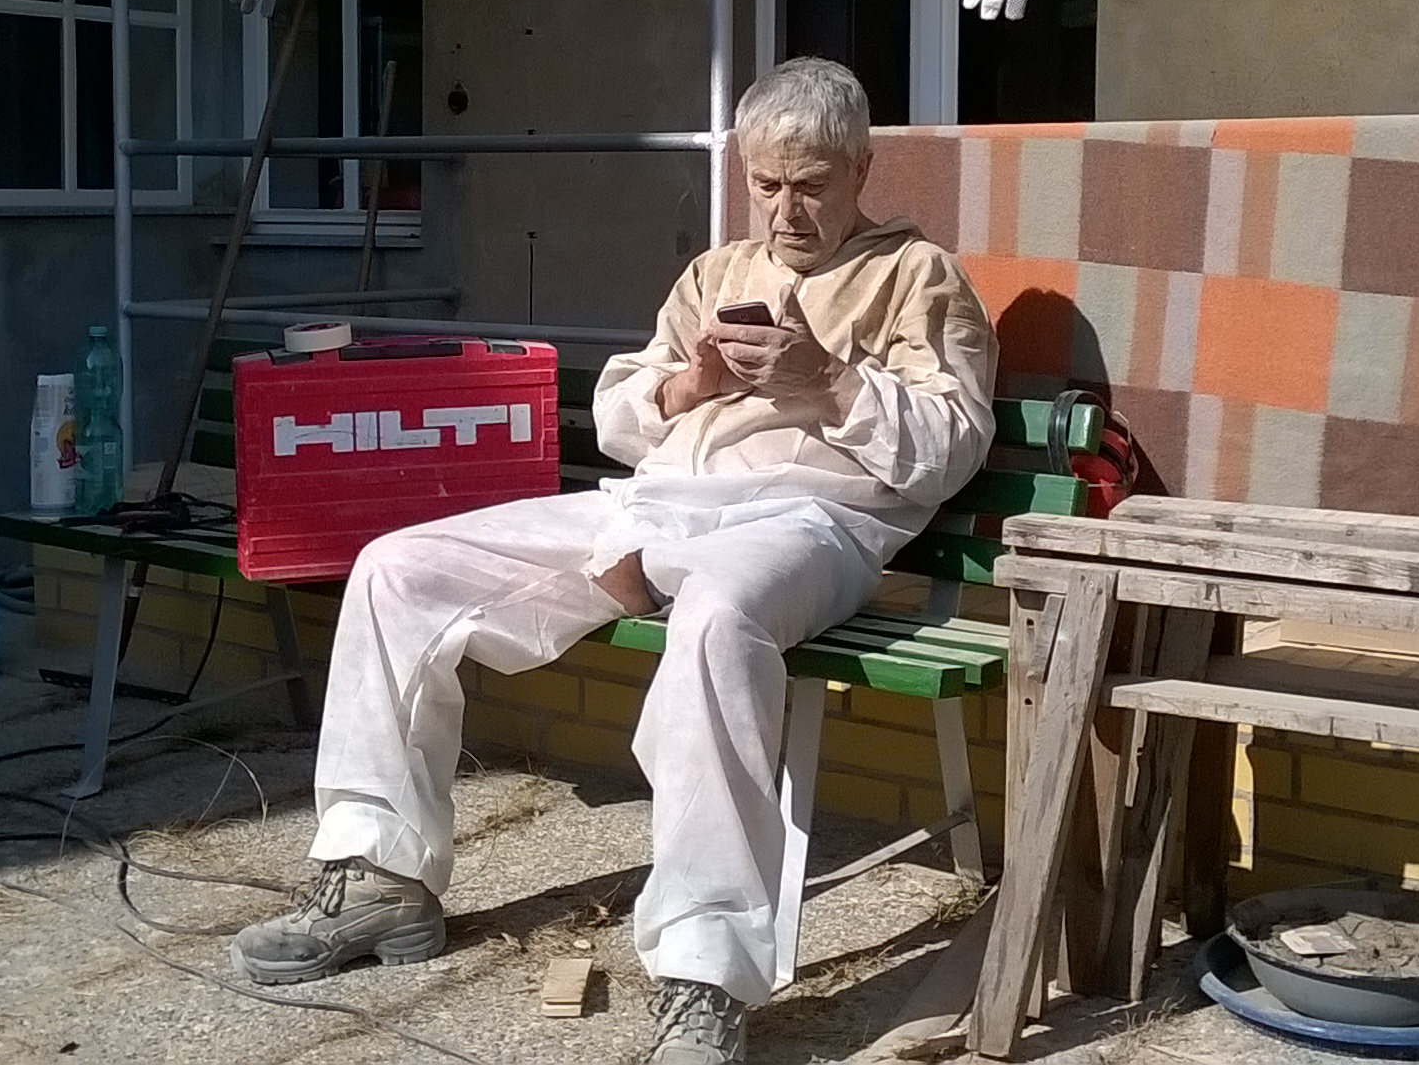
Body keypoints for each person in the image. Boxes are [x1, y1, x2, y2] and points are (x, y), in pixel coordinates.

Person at [230, 57, 999, 1064]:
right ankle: (380, 876)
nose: (786, 210)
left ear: (861, 168)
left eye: (812, 184)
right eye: (766, 182)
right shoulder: (718, 272)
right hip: (656, 507)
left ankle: (703, 973)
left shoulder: (918, 275)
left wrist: (829, 380)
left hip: (810, 521)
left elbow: (951, 446)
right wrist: (687, 387)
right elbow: (622, 416)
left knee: (717, 617)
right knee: (397, 570)